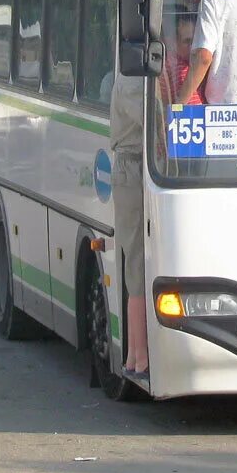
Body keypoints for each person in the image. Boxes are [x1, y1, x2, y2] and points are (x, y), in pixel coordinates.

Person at [109, 71, 148, 377]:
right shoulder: (133, 77)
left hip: (138, 164)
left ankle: (136, 356)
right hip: (132, 165)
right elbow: (155, 121)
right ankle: (139, 355)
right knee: (136, 260)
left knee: (139, 262)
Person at [160, 14, 205, 104]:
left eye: (196, 41)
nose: (193, 46)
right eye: (187, 41)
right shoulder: (176, 68)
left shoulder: (198, 63)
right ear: (174, 43)